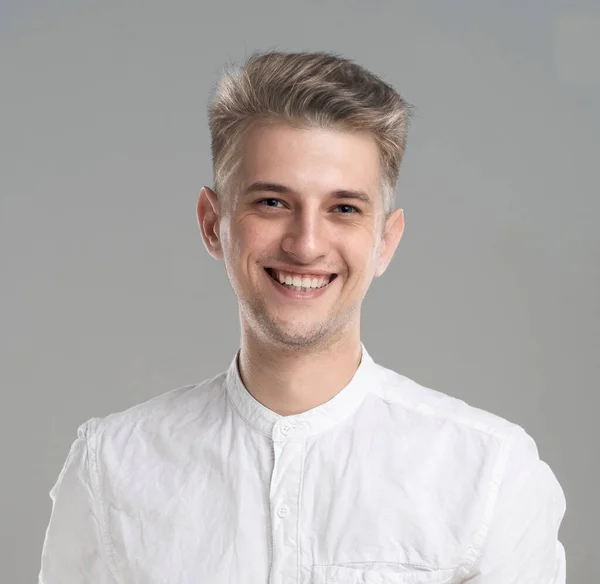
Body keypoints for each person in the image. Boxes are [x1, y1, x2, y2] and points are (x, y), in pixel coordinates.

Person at [39, 50, 566, 584]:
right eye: (272, 202)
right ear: (211, 223)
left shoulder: (491, 475)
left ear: (385, 241)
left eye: (344, 209)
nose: (306, 245)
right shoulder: (109, 469)